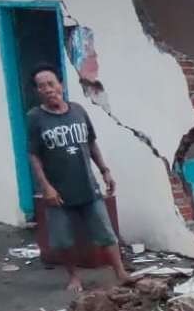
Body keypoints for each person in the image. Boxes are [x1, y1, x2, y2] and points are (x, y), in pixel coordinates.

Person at [25, 65, 131, 293]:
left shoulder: (78, 111)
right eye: (41, 87)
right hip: (58, 192)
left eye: (51, 84)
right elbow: (33, 154)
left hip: (87, 186)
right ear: (38, 92)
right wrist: (46, 187)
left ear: (60, 85)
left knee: (105, 231)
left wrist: (105, 171)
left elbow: (91, 143)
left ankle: (120, 272)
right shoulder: (35, 118)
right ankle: (74, 277)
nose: (48, 89)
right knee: (63, 239)